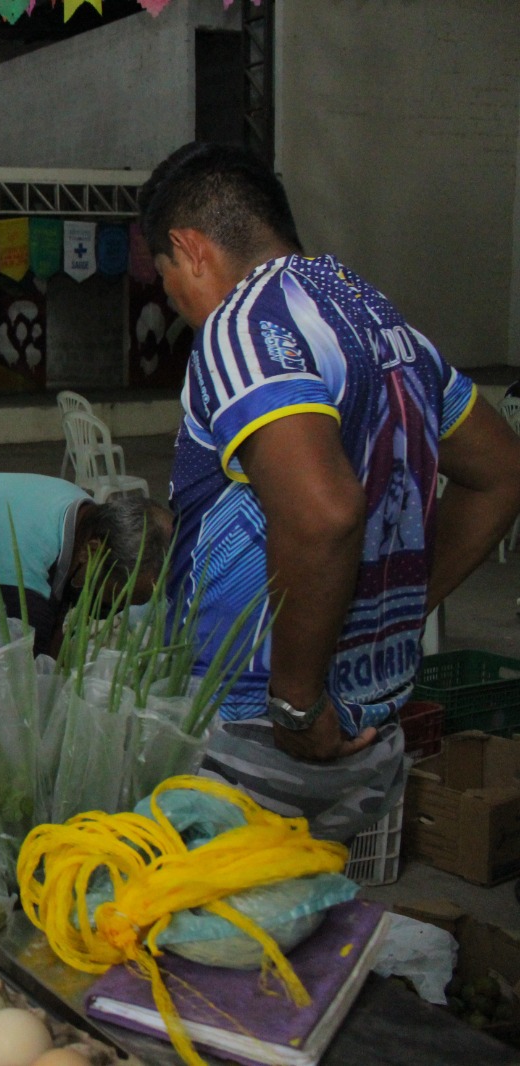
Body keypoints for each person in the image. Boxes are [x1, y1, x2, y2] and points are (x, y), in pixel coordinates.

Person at [138, 141, 520, 841]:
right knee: (312, 921)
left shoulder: (242, 324)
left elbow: (323, 514)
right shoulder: (383, 323)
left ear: (190, 248)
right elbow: (502, 472)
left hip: (263, 725)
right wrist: (403, 602)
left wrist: (295, 699)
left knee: (231, 937)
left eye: (167, 283)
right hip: (370, 712)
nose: (179, 306)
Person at [0, 473, 172, 656]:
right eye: (113, 601)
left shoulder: (83, 513)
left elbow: (57, 622)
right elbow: (28, 665)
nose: (113, 611)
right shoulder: (27, 582)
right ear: (93, 551)